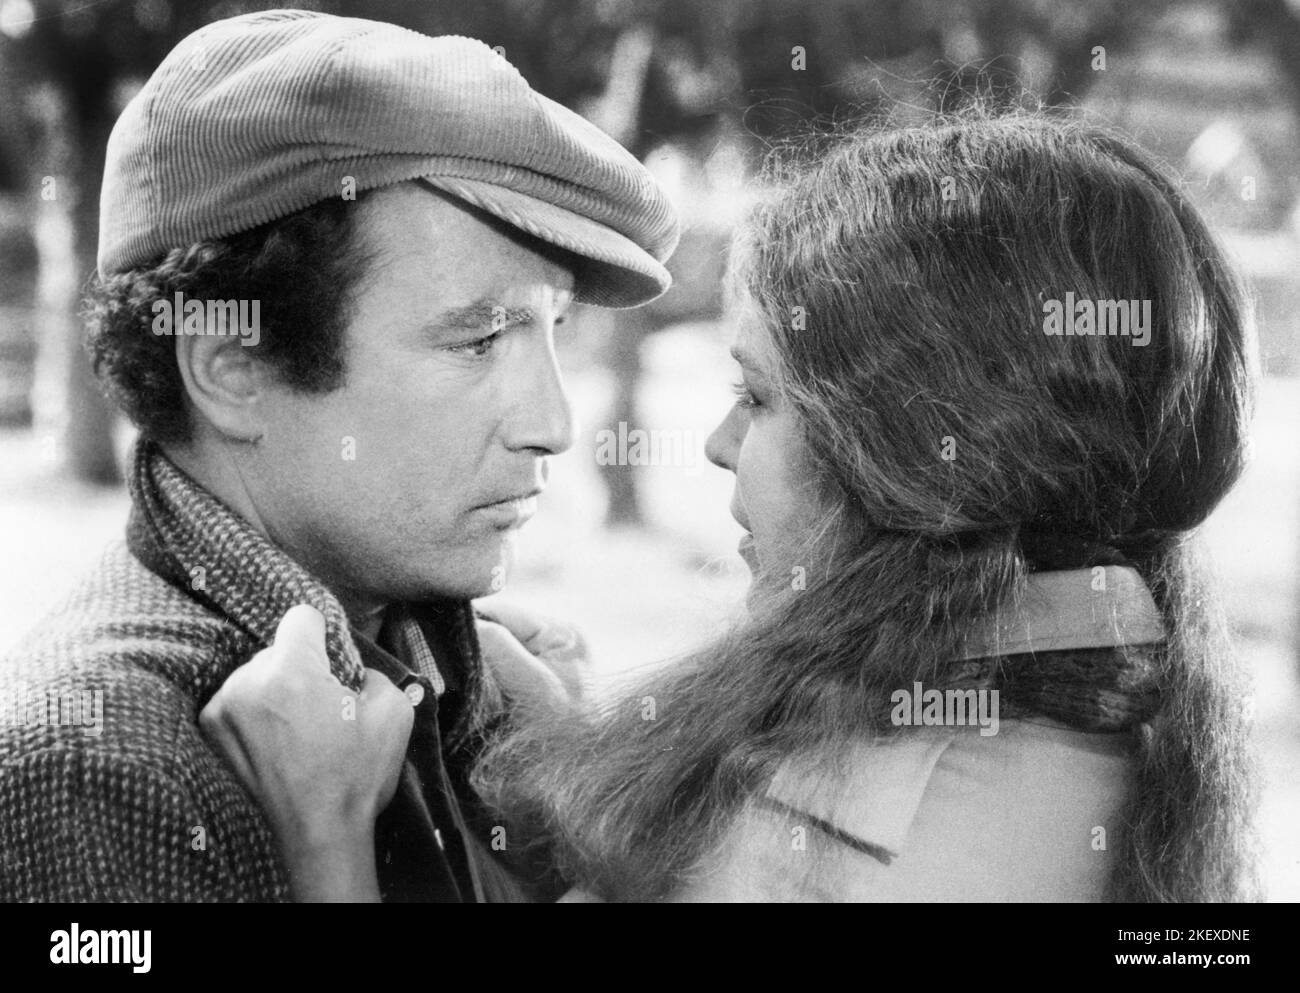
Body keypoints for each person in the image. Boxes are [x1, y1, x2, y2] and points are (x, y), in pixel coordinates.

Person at [204, 109, 1263, 902]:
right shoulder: (1041, 719)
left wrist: (328, 836)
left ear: (911, 454)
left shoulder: (899, 853)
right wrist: (580, 748)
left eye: (754, 397)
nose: (716, 447)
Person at [0, 9, 677, 902]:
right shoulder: (101, 768)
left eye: (553, 329)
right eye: (477, 339)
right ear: (233, 367)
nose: (553, 423)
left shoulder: (461, 667)